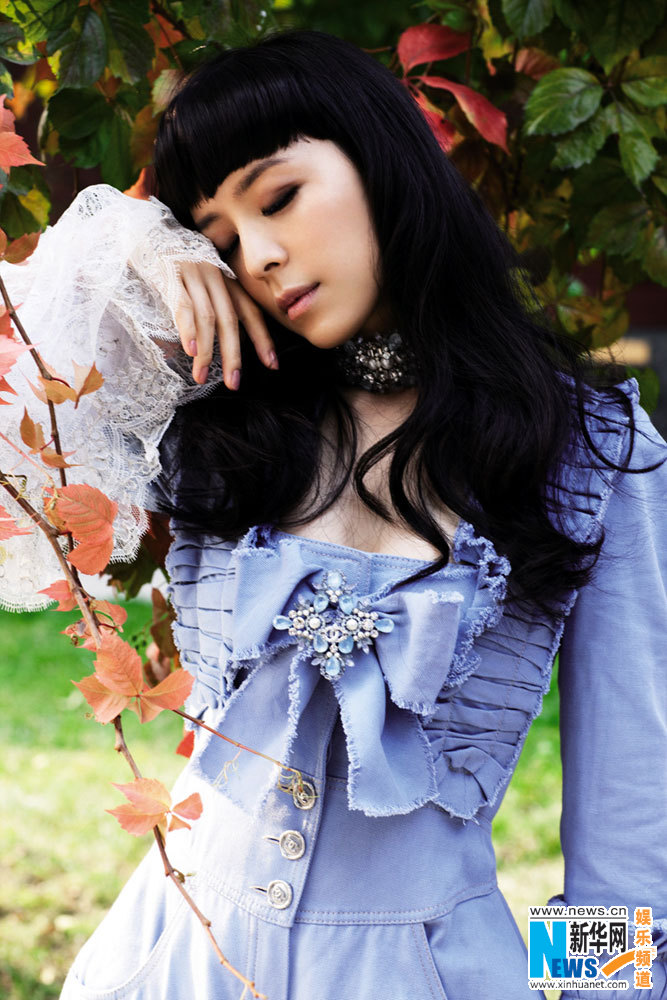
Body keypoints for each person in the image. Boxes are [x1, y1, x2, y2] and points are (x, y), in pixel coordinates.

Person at [1, 28, 665, 1000]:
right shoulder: (215, 409)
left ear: (379, 158)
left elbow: (628, 820)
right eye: (223, 239)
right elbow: (19, 421)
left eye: (277, 199)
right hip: (171, 963)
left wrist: (604, 994)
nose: (262, 256)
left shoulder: (590, 448)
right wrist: (132, 244)